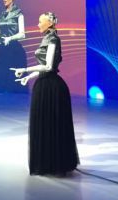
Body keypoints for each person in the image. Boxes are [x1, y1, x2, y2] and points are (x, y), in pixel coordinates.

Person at [12, 12, 79, 176]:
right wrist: (29, 76)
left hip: (51, 88)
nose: (37, 24)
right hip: (43, 85)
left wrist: (25, 69)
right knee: (44, 124)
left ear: (49, 23)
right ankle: (47, 163)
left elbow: (49, 67)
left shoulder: (53, 39)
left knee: (52, 125)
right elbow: (45, 67)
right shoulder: (47, 38)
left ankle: (55, 164)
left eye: (40, 21)